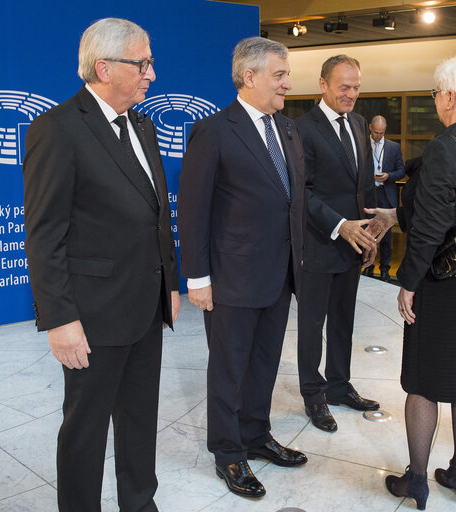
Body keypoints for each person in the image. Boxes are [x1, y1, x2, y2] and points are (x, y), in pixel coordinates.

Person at [23, 18, 180, 512]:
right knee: (85, 432)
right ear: (104, 67)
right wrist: (60, 319)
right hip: (91, 316)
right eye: (144, 63)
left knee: (139, 421)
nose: (152, 73)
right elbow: (44, 235)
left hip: (145, 308)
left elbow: (157, 214)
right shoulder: (58, 128)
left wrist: (169, 282)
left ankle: (139, 504)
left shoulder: (143, 124)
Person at [370, 52, 456, 509]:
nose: (435, 101)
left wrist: (408, 282)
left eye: (435, 93)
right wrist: (399, 213)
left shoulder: (446, 145)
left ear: (449, 95)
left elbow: (431, 225)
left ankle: (417, 480)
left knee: (424, 384)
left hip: (446, 282)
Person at [177, 37, 307, 499]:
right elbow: (193, 211)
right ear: (249, 77)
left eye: (287, 75)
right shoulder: (213, 131)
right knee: (229, 371)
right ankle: (228, 454)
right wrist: (198, 278)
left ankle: (256, 435)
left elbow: (295, 203)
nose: (288, 84)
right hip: (231, 280)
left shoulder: (288, 130)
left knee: (265, 365)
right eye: (279, 75)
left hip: (280, 275)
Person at [295, 54, 379, 434]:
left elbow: (360, 186)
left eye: (357, 87)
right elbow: (302, 193)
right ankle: (313, 395)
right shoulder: (302, 129)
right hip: (318, 242)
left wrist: (370, 232)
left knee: (344, 320)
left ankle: (339, 385)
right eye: (344, 87)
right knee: (312, 325)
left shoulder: (360, 123)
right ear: (323, 85)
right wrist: (340, 225)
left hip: (352, 245)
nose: (351, 94)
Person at [362, 115, 406, 280]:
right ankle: (368, 265)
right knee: (368, 232)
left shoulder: (394, 147)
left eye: (381, 133)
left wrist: (388, 176)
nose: (378, 136)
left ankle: (385, 268)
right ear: (370, 129)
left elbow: (401, 171)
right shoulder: (363, 145)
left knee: (386, 235)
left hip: (386, 194)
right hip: (369, 193)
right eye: (375, 132)